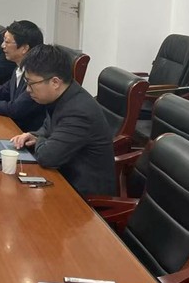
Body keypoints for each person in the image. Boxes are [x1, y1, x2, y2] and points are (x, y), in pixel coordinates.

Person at [11, 45, 116, 197]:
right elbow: (47, 127)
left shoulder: (79, 112)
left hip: (83, 196)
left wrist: (39, 140)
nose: (27, 89)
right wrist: (35, 135)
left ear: (55, 82)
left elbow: (47, 157)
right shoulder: (63, 94)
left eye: (31, 83)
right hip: (63, 175)